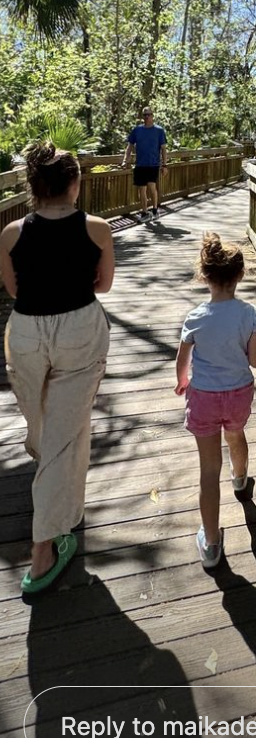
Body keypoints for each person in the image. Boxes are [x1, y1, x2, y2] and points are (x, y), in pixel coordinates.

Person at [0, 142, 114, 594]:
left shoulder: (10, 233)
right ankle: (43, 548)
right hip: (79, 331)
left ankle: (65, 511)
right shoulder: (97, 229)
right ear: (73, 184)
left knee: (53, 428)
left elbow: (12, 288)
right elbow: (103, 285)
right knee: (61, 436)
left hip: (26, 334)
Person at [173, 232, 256, 569]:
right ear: (239, 276)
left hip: (205, 397)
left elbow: (182, 361)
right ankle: (240, 479)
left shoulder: (195, 317)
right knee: (236, 435)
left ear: (204, 276)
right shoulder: (249, 314)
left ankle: (211, 544)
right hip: (238, 393)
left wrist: (183, 382)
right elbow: (255, 360)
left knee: (209, 470)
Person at [122, 107, 167, 220]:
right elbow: (129, 146)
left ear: (152, 116)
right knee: (141, 189)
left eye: (149, 114)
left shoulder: (159, 131)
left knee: (152, 187)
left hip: (153, 164)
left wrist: (164, 165)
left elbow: (163, 149)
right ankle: (144, 213)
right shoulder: (137, 130)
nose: (147, 117)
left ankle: (155, 210)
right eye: (145, 115)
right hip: (140, 164)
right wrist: (125, 160)